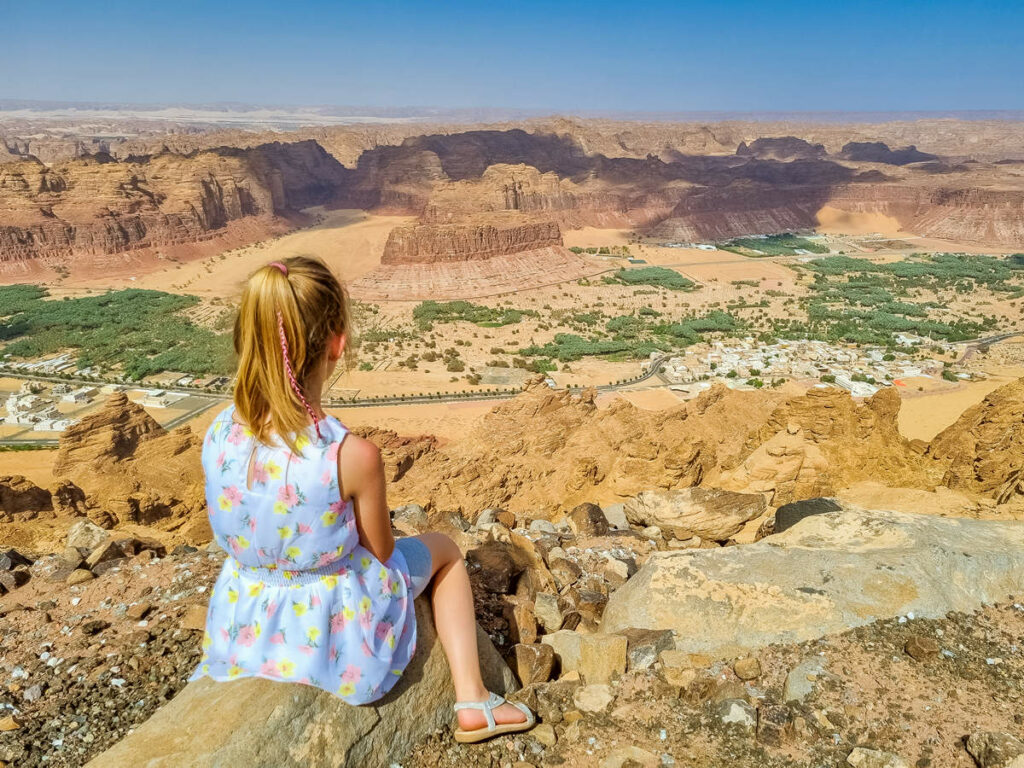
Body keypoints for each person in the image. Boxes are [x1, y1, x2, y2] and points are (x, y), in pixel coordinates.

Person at [190, 256, 533, 743]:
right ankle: (473, 700)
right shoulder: (349, 456)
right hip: (332, 614)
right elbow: (381, 552)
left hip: (244, 608)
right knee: (447, 552)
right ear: (337, 343)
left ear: (249, 336)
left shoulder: (220, 429)